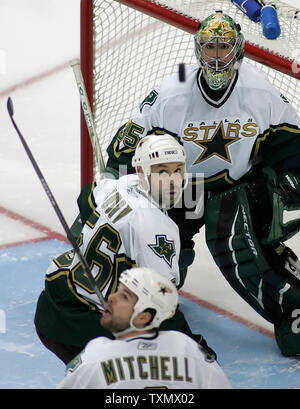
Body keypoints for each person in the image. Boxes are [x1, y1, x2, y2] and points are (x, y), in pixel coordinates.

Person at [105, 11, 300, 356]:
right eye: (209, 47)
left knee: (244, 258)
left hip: (236, 190)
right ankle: (151, 307)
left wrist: (287, 178)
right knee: (161, 255)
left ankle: (291, 308)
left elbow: (290, 141)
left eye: (223, 47)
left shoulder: (259, 92)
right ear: (198, 49)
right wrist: (114, 185)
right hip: (182, 186)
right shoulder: (171, 94)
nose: (215, 56)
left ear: (238, 50)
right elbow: (127, 146)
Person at [34, 133, 214, 364]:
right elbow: (160, 303)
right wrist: (194, 347)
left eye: (178, 170)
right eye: (162, 171)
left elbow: (86, 197)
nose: (172, 181)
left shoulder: (121, 184)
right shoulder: (156, 227)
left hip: (53, 302)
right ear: (142, 172)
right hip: (80, 327)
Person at [57, 267, 231, 389]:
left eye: (124, 297)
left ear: (143, 316)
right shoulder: (189, 349)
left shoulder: (95, 357)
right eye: (117, 291)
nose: (111, 298)